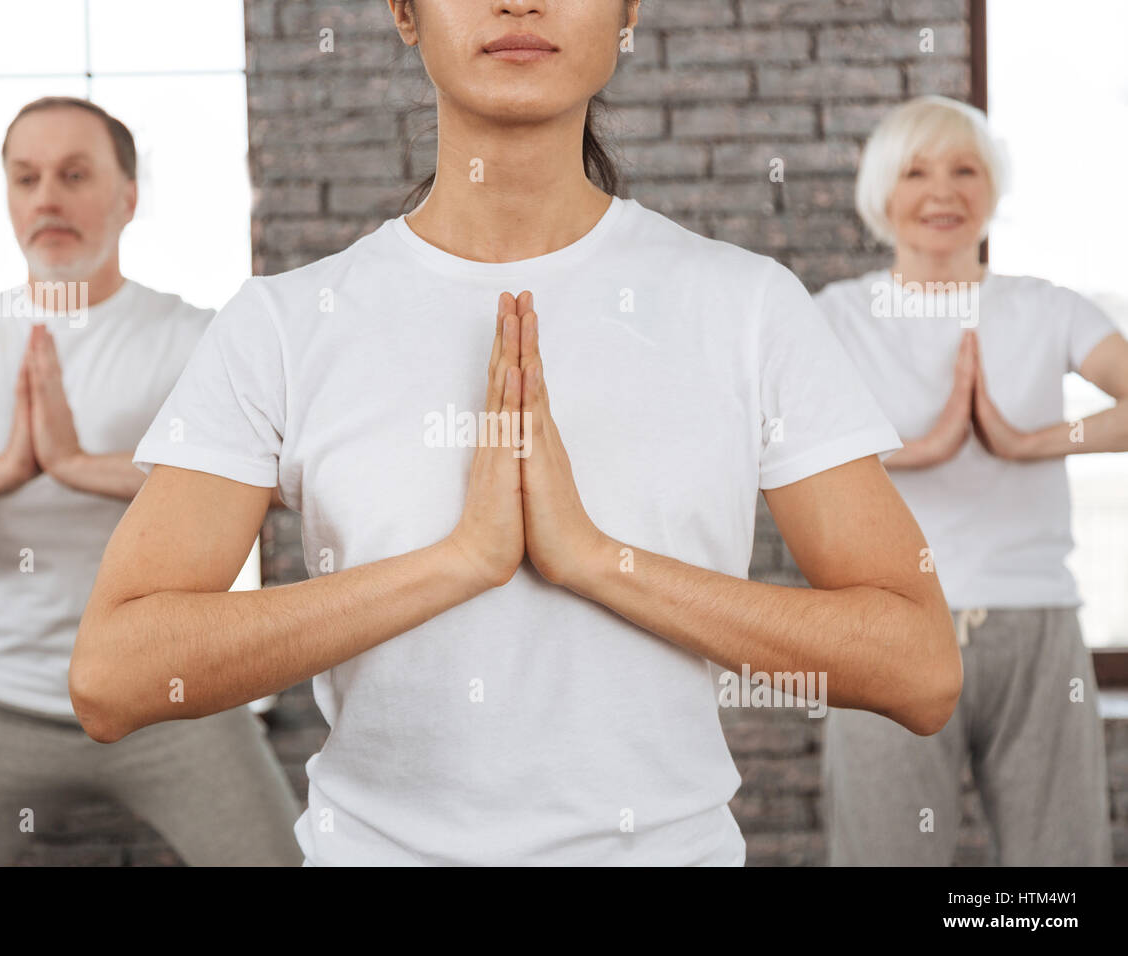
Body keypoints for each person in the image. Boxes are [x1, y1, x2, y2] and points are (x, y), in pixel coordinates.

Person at [71, 0, 962, 866]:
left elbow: (918, 671)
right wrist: (456, 562)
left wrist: (594, 558)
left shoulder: (747, 307)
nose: (520, 3)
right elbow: (116, 676)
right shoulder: (284, 322)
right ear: (403, 10)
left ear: (628, 12)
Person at [0, 96, 302, 866]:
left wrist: (82, 468)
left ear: (128, 197)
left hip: (173, 696)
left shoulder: (195, 338)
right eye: (26, 178)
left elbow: (283, 479)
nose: (47, 196)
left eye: (75, 174)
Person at [813, 95, 1127, 866]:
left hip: (1035, 625)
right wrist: (914, 450)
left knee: (1059, 876)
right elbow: (775, 440)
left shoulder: (1047, 307)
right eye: (917, 171)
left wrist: (1032, 442)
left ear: (993, 188)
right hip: (885, 627)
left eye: (966, 170)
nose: (943, 192)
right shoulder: (834, 316)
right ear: (882, 193)